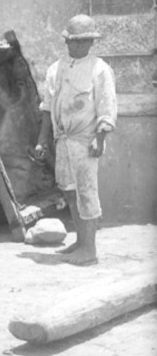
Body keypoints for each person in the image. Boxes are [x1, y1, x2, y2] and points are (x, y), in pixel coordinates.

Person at [34, 14, 116, 266]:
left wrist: (100, 138)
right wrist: (42, 140)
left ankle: (89, 249)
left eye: (87, 41)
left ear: (92, 42)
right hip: (63, 141)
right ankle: (80, 241)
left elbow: (106, 105)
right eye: (76, 41)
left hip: (85, 141)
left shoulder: (100, 69)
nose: (81, 46)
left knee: (86, 193)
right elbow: (48, 107)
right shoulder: (55, 69)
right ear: (66, 41)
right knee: (69, 191)